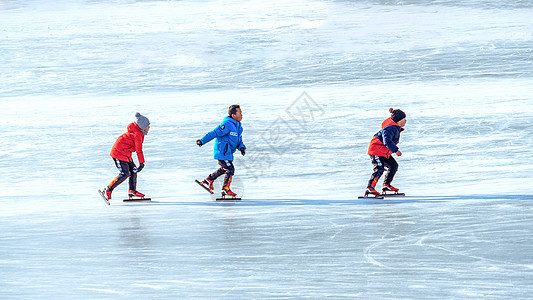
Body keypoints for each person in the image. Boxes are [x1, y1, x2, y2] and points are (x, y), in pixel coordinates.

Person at [196, 105, 246, 197]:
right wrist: (202, 141)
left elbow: (239, 140)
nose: (242, 115)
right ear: (233, 115)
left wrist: (242, 147)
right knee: (230, 169)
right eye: (240, 113)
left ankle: (208, 180)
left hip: (228, 153)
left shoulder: (239, 127)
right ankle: (225, 189)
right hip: (222, 152)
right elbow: (214, 133)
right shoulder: (227, 124)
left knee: (224, 169)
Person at [102, 112, 150, 200]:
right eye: (147, 126)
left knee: (133, 170)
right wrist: (141, 163)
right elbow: (139, 150)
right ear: (142, 127)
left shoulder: (138, 133)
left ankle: (132, 190)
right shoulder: (137, 135)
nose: (149, 127)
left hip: (126, 154)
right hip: (118, 153)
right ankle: (108, 189)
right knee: (125, 173)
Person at [365, 108, 406, 197]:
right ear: (399, 121)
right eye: (403, 119)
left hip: (383, 152)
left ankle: (386, 185)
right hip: (376, 150)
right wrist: (396, 150)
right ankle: (370, 187)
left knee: (393, 166)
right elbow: (387, 141)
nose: (405, 121)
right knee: (379, 168)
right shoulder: (389, 128)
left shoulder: (395, 128)